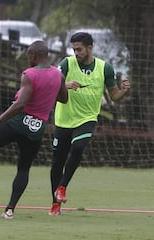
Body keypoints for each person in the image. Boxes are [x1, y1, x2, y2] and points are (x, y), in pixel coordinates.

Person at [0, 40, 68, 219]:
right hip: (37, 128)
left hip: (18, 122)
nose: (28, 59)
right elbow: (64, 99)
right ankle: (10, 209)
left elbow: (20, 104)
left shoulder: (29, 74)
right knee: (24, 168)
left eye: (29, 56)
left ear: (33, 55)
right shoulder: (59, 76)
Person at [49, 32, 131, 216]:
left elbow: (115, 96)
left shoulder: (105, 68)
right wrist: (65, 85)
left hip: (87, 119)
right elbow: (52, 84)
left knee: (78, 147)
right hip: (63, 120)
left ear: (90, 48)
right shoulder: (67, 63)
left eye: (79, 49)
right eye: (74, 49)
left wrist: (124, 91)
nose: (76, 52)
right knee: (57, 163)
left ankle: (62, 187)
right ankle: (55, 203)